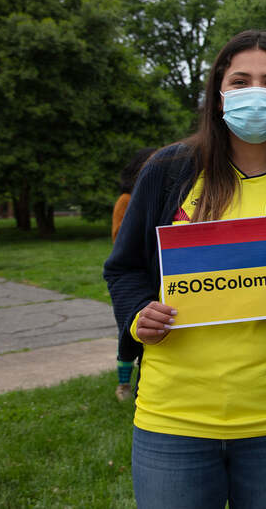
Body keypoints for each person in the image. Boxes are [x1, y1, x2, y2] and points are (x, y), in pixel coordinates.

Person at [104, 30, 266, 509]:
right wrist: (137, 315)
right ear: (218, 94)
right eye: (240, 81)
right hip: (173, 420)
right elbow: (124, 267)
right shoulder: (169, 170)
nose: (256, 92)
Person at [110, 146, 156, 401]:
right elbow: (120, 238)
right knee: (129, 332)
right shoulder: (126, 200)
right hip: (137, 273)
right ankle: (123, 384)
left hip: (157, 274)